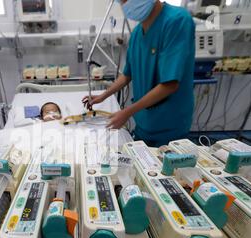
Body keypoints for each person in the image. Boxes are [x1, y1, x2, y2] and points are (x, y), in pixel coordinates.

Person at [83, 0, 195, 147]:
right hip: (143, 123)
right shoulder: (136, 34)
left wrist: (127, 112)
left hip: (170, 125)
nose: (125, 5)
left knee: (165, 167)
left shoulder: (177, 21)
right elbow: (127, 75)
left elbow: (170, 85)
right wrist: (103, 96)